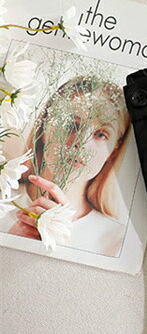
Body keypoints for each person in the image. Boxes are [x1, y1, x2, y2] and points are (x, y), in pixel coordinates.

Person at [5, 75, 131, 257]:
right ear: (44, 125)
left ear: (114, 150)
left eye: (101, 134)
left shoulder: (117, 241)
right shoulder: (4, 199)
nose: (81, 142)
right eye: (72, 124)